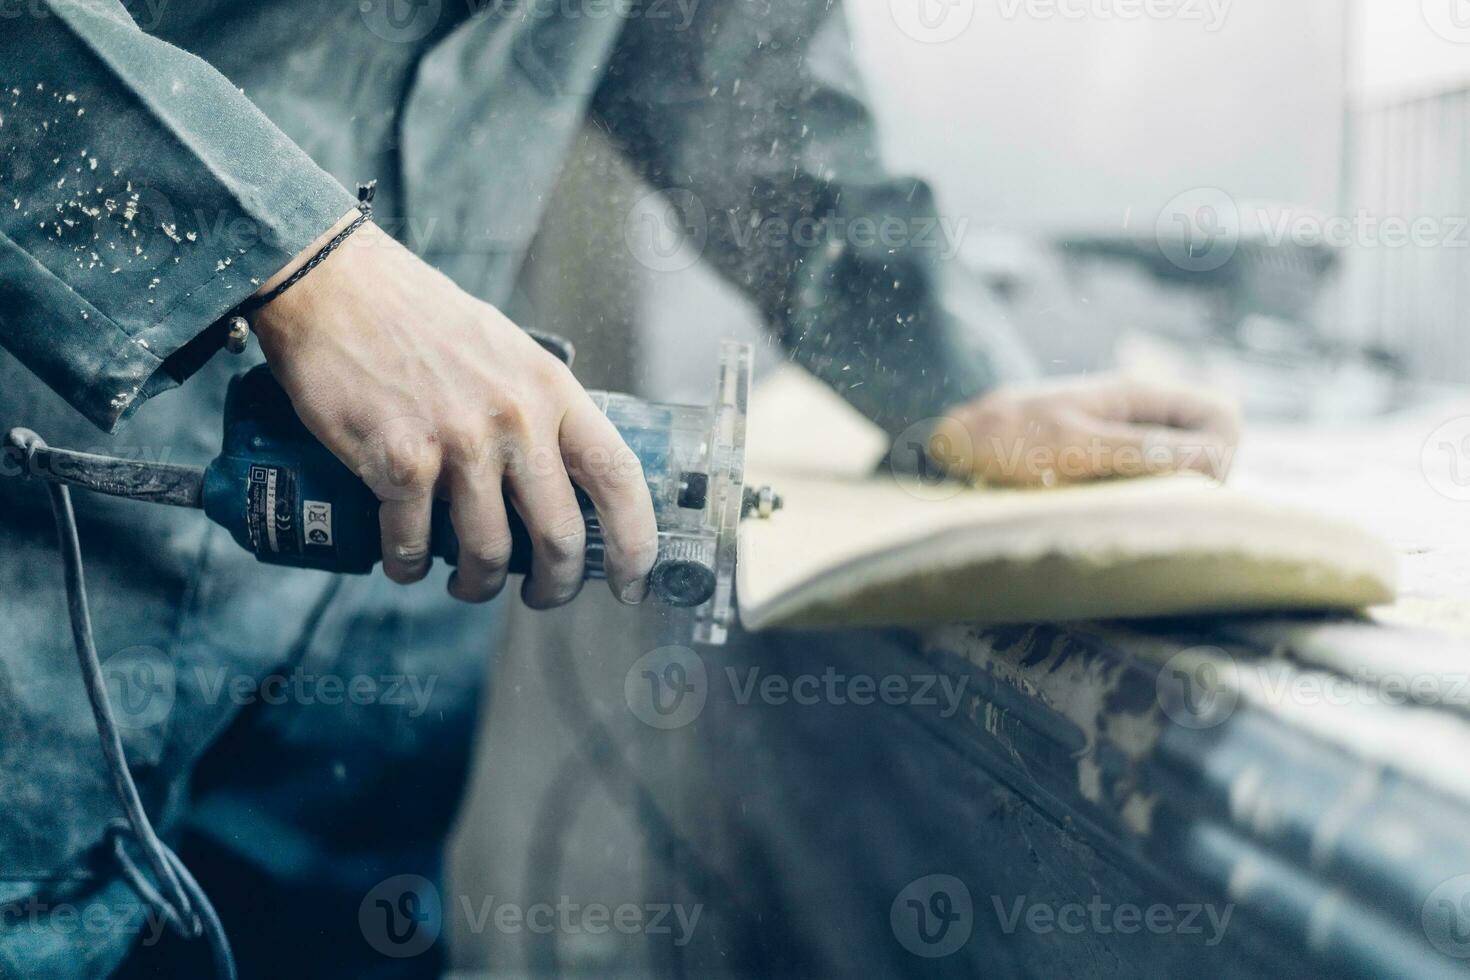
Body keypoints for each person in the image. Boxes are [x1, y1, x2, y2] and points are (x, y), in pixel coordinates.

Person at [0, 1, 1239, 976]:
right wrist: (284, 256)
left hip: (397, 568)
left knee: (339, 934)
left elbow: (744, 72)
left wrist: (943, 383)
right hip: (45, 564)